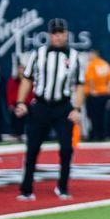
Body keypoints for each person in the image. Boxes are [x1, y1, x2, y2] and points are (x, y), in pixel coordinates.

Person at [15, 18, 84, 201]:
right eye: (54, 33)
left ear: (66, 34)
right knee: (32, 149)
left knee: (67, 149)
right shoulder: (38, 54)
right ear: (49, 35)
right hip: (41, 106)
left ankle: (62, 187)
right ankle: (26, 189)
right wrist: (20, 102)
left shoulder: (75, 56)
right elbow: (27, 79)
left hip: (63, 107)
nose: (58, 36)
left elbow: (80, 85)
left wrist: (77, 108)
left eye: (61, 33)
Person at [83, 49, 110, 141]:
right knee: (102, 115)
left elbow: (90, 79)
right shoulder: (105, 64)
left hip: (94, 95)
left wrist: (93, 90)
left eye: (90, 54)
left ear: (95, 54)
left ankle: (93, 135)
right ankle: (102, 135)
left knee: (92, 116)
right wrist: (109, 88)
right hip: (104, 93)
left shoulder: (92, 65)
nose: (89, 56)